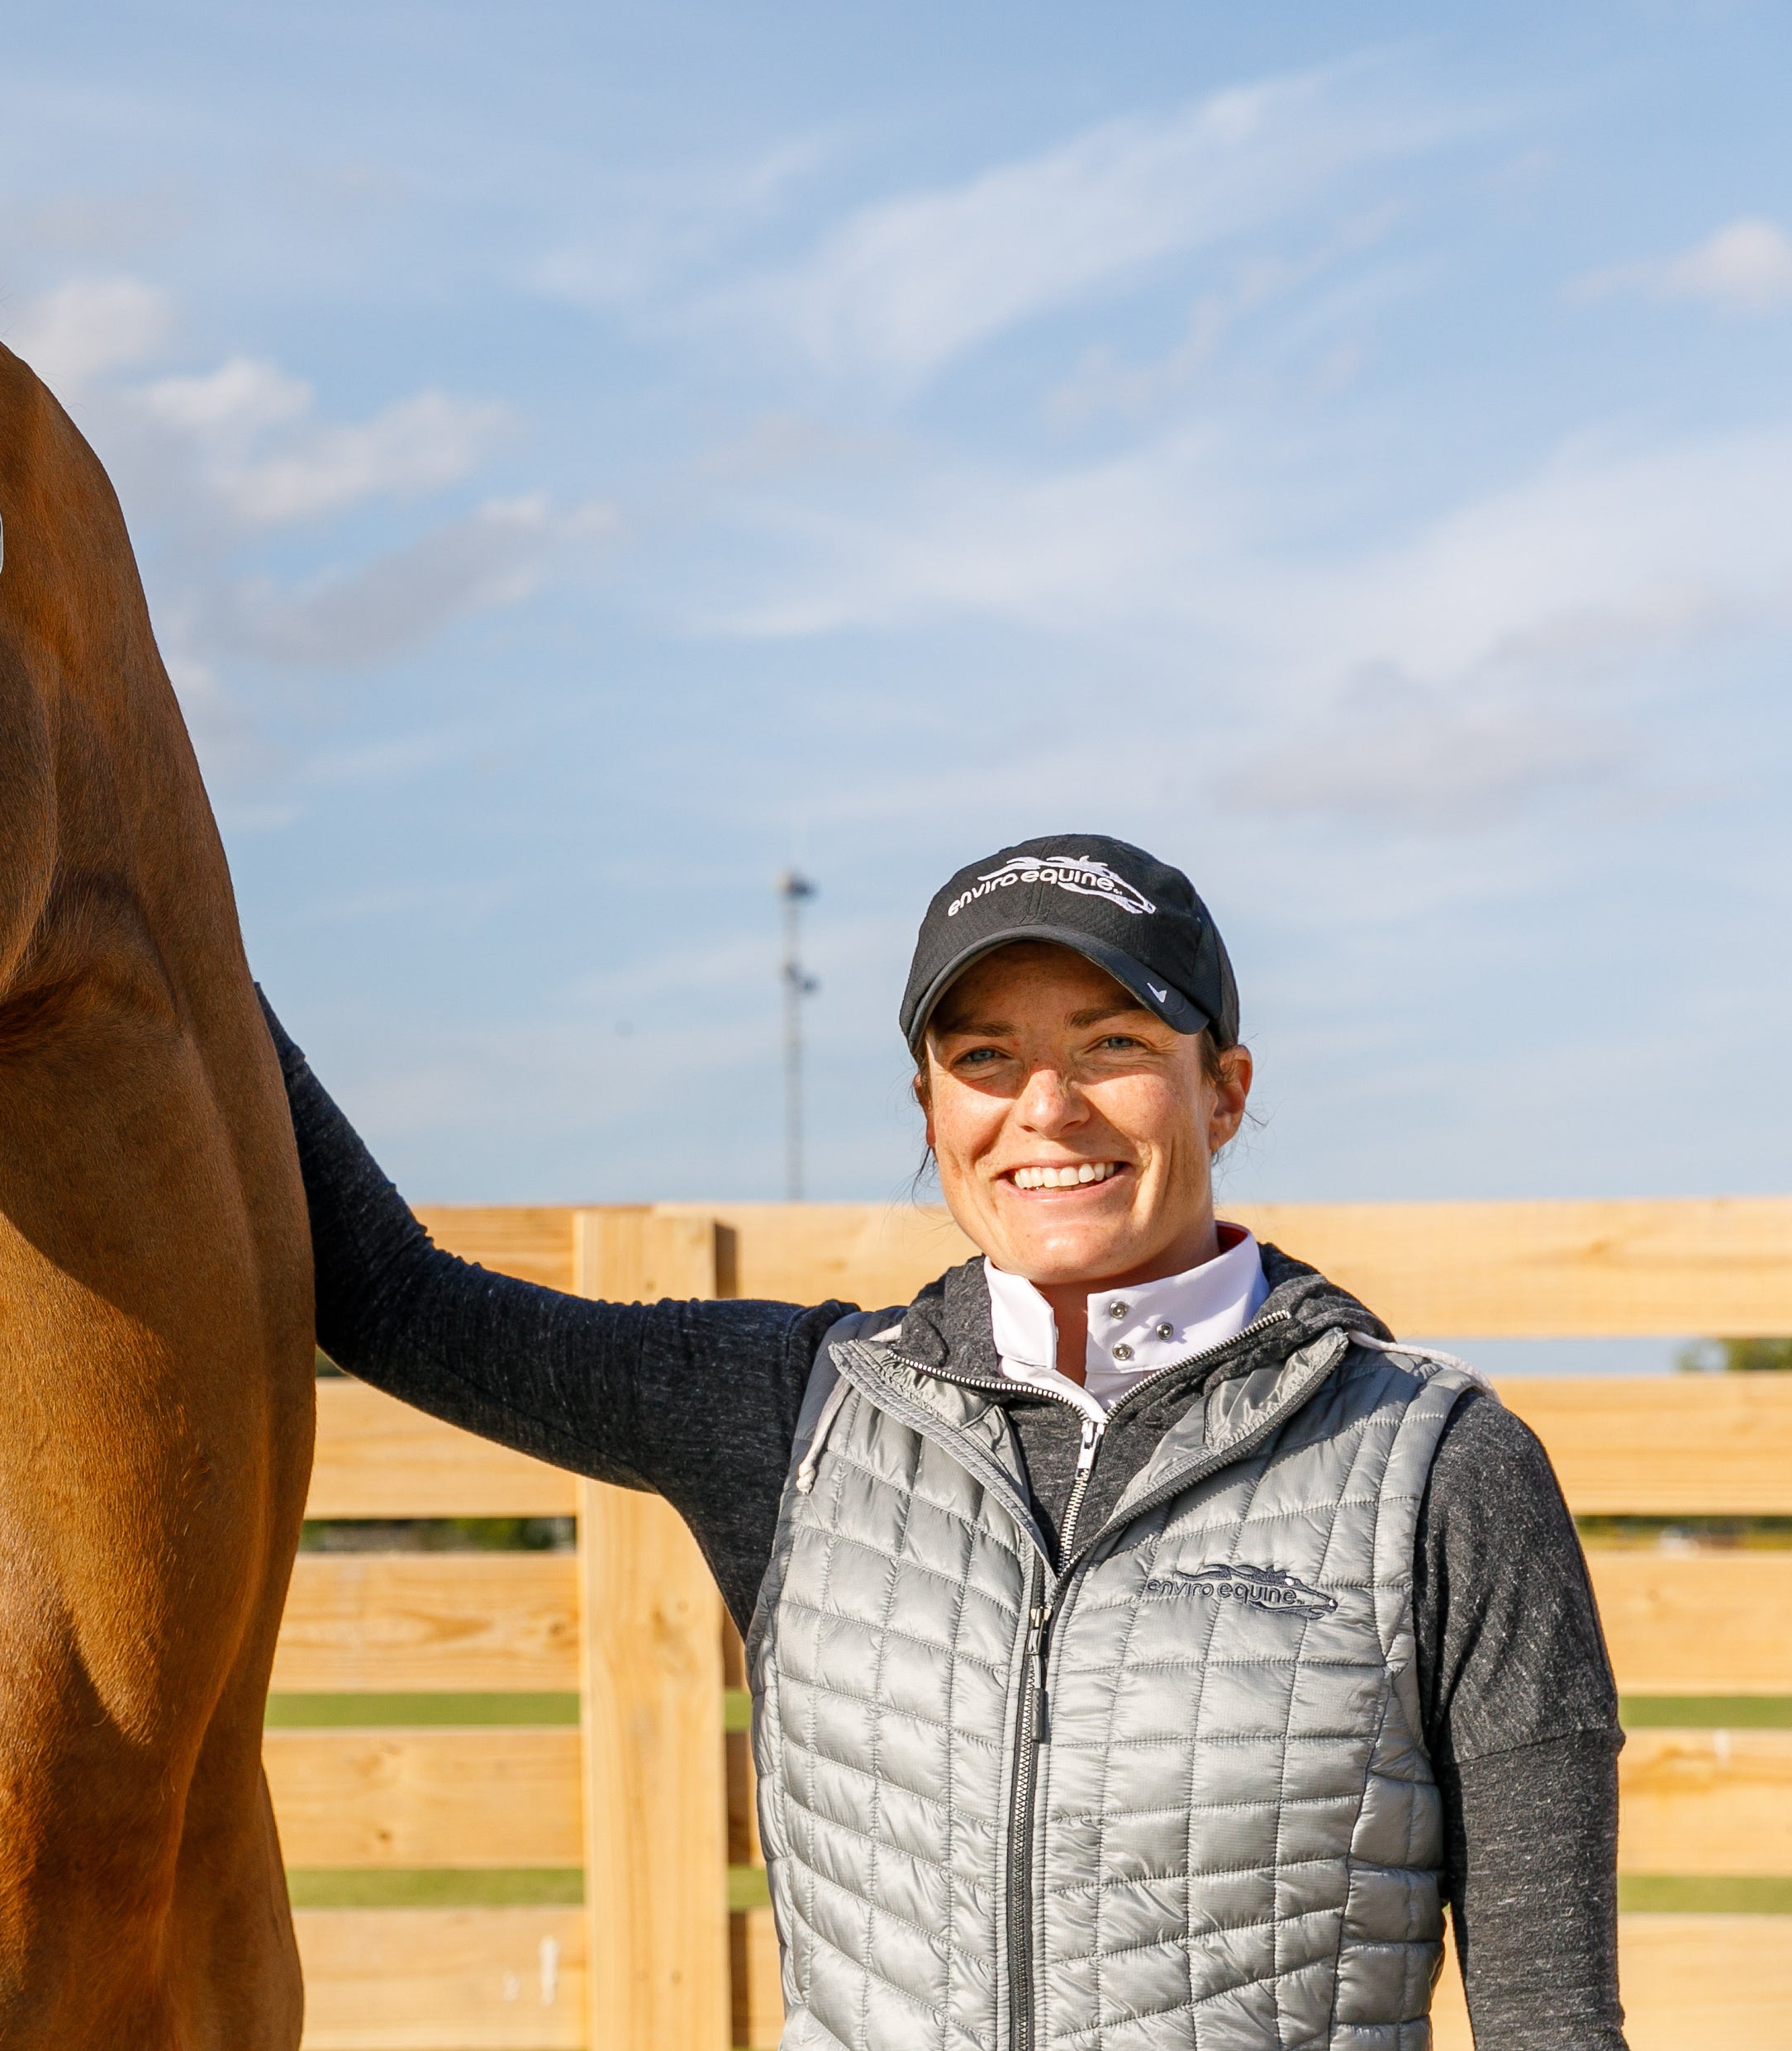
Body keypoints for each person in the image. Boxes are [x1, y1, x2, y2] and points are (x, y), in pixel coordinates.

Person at [267, 833, 1623, 2049]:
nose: (1048, 1107)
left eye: (1114, 1045)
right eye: (986, 1059)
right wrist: (146, 886)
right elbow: (399, 1301)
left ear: (1224, 1090)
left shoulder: (1441, 1464)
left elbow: (1551, 2024)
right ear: (930, 1111)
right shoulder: (794, 1409)